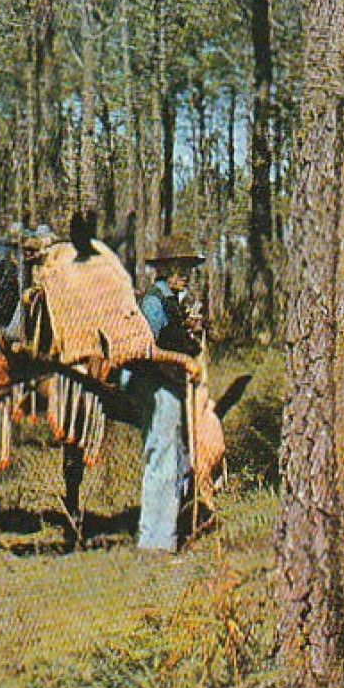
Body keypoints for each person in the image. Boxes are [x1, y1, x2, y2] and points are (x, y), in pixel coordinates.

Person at [134, 235, 207, 552]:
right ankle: (154, 542)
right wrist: (182, 360)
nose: (183, 275)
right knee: (161, 458)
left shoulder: (173, 303)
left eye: (187, 268)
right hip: (157, 385)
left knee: (177, 459)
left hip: (173, 386)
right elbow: (143, 348)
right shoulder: (153, 302)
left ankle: (171, 534)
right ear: (163, 271)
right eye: (177, 268)